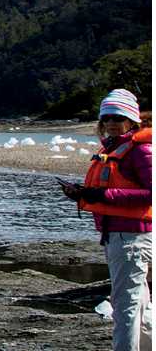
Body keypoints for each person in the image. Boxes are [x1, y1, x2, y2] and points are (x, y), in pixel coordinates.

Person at [60, 88, 151, 351]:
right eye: (107, 118)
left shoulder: (139, 151)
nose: (111, 122)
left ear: (131, 120)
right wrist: (83, 194)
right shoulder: (115, 148)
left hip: (132, 239)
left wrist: (102, 194)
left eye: (118, 117)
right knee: (138, 304)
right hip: (120, 236)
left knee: (125, 307)